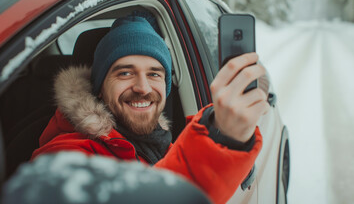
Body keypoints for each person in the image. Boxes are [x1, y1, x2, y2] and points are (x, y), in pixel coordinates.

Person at [31, 11, 269, 204]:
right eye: (125, 73)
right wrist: (221, 146)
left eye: (154, 74)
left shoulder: (161, 143)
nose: (143, 87)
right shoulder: (67, 156)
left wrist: (224, 139)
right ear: (100, 87)